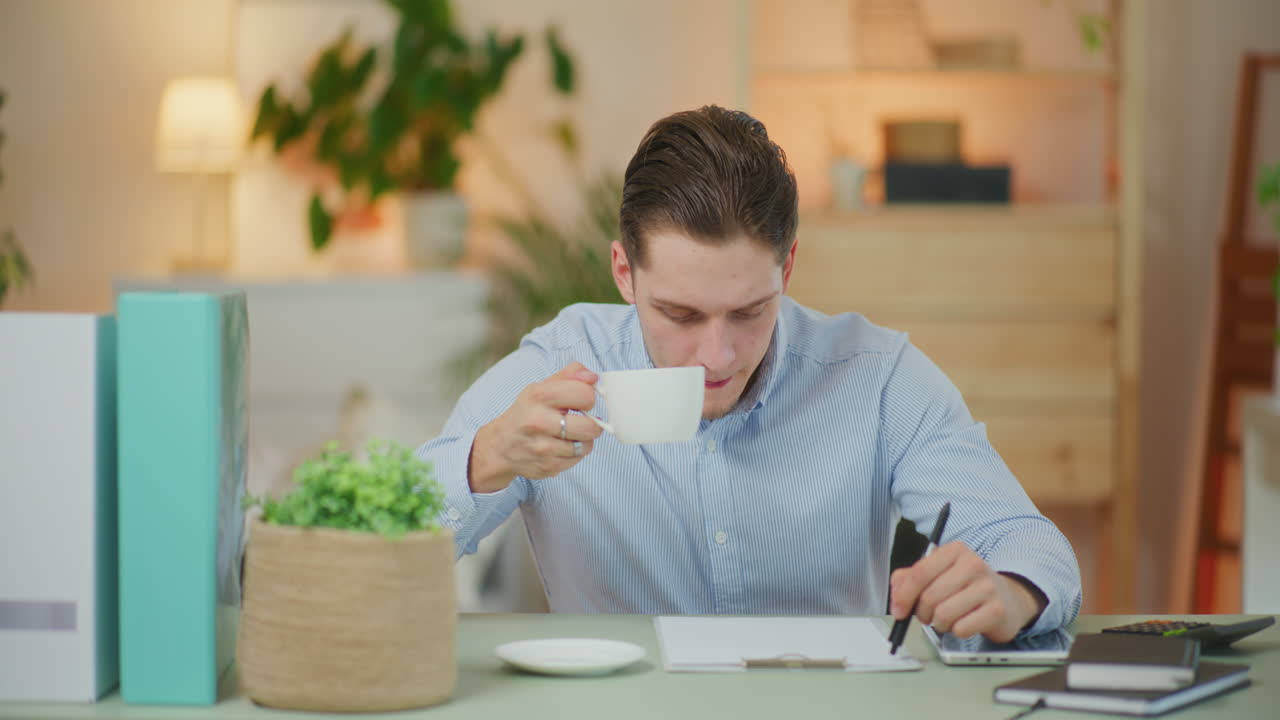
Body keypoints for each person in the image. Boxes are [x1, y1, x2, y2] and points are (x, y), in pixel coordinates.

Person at [418, 105, 1081, 641]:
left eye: (748, 311)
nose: (717, 355)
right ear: (624, 272)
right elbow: (374, 542)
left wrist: (1009, 592)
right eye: (679, 313)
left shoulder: (876, 378)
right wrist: (484, 460)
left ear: (788, 269)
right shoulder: (556, 365)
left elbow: (1029, 544)